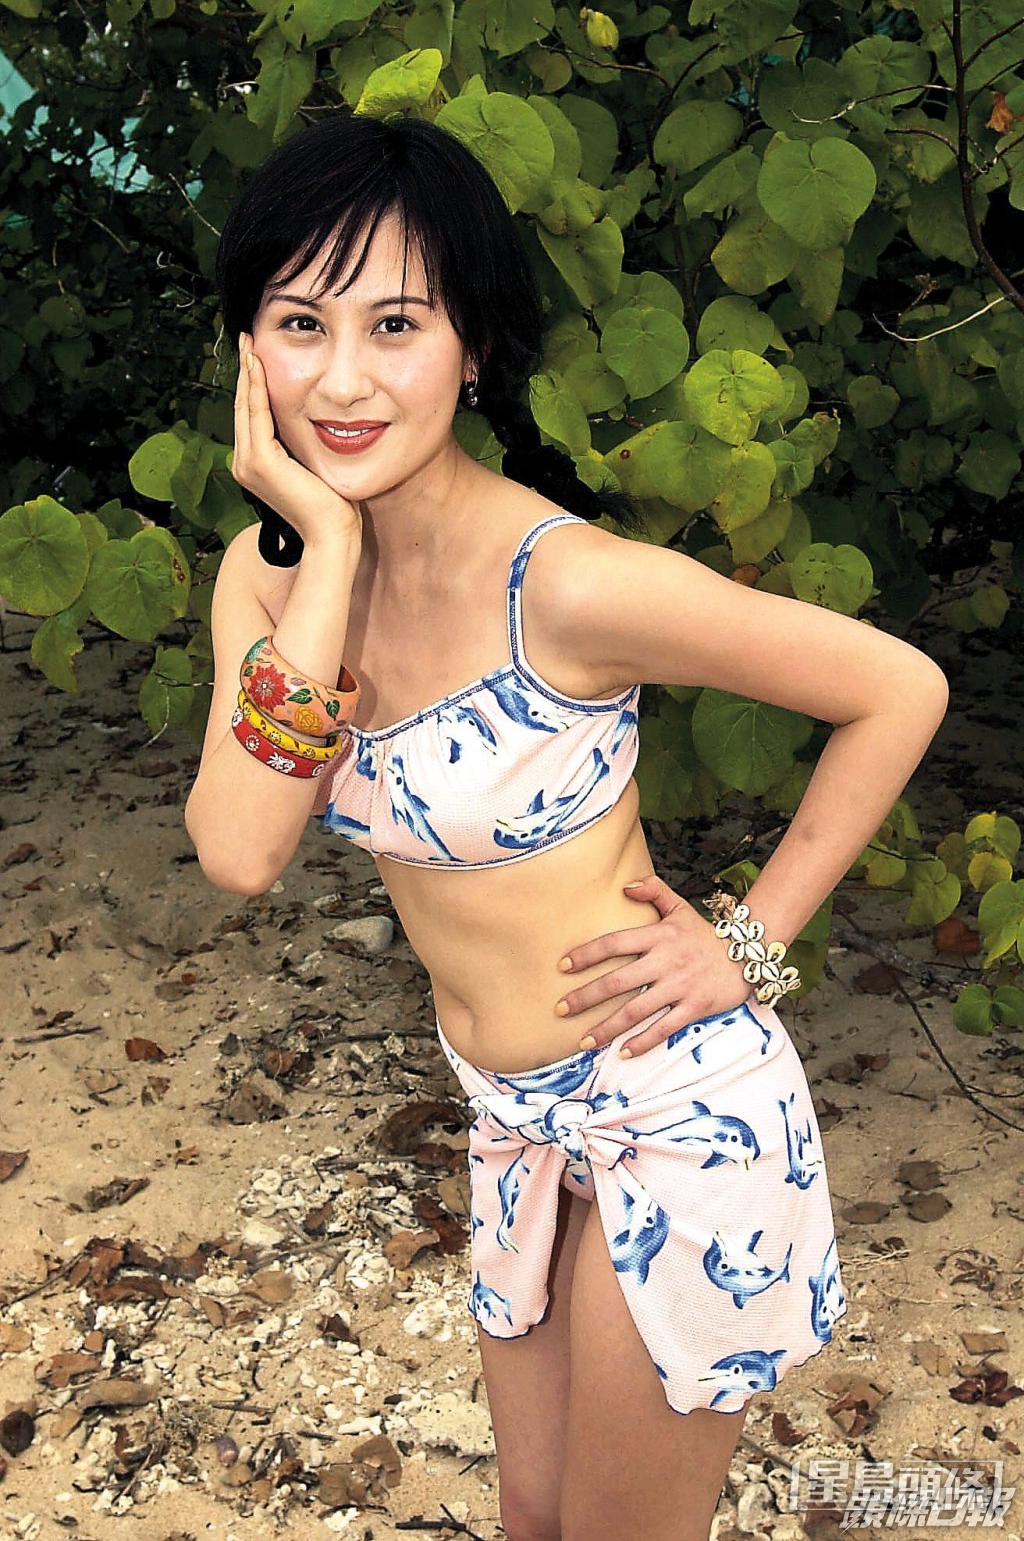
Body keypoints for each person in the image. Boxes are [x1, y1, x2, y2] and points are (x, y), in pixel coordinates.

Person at [184, 111, 949, 1541]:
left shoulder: (566, 585)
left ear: (471, 347)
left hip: (674, 1108)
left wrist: (748, 944)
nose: (342, 378)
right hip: (513, 1119)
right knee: (533, 1517)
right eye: (300, 323)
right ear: (249, 352)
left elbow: (898, 688)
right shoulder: (268, 576)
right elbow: (239, 848)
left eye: (396, 324)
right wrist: (328, 552)